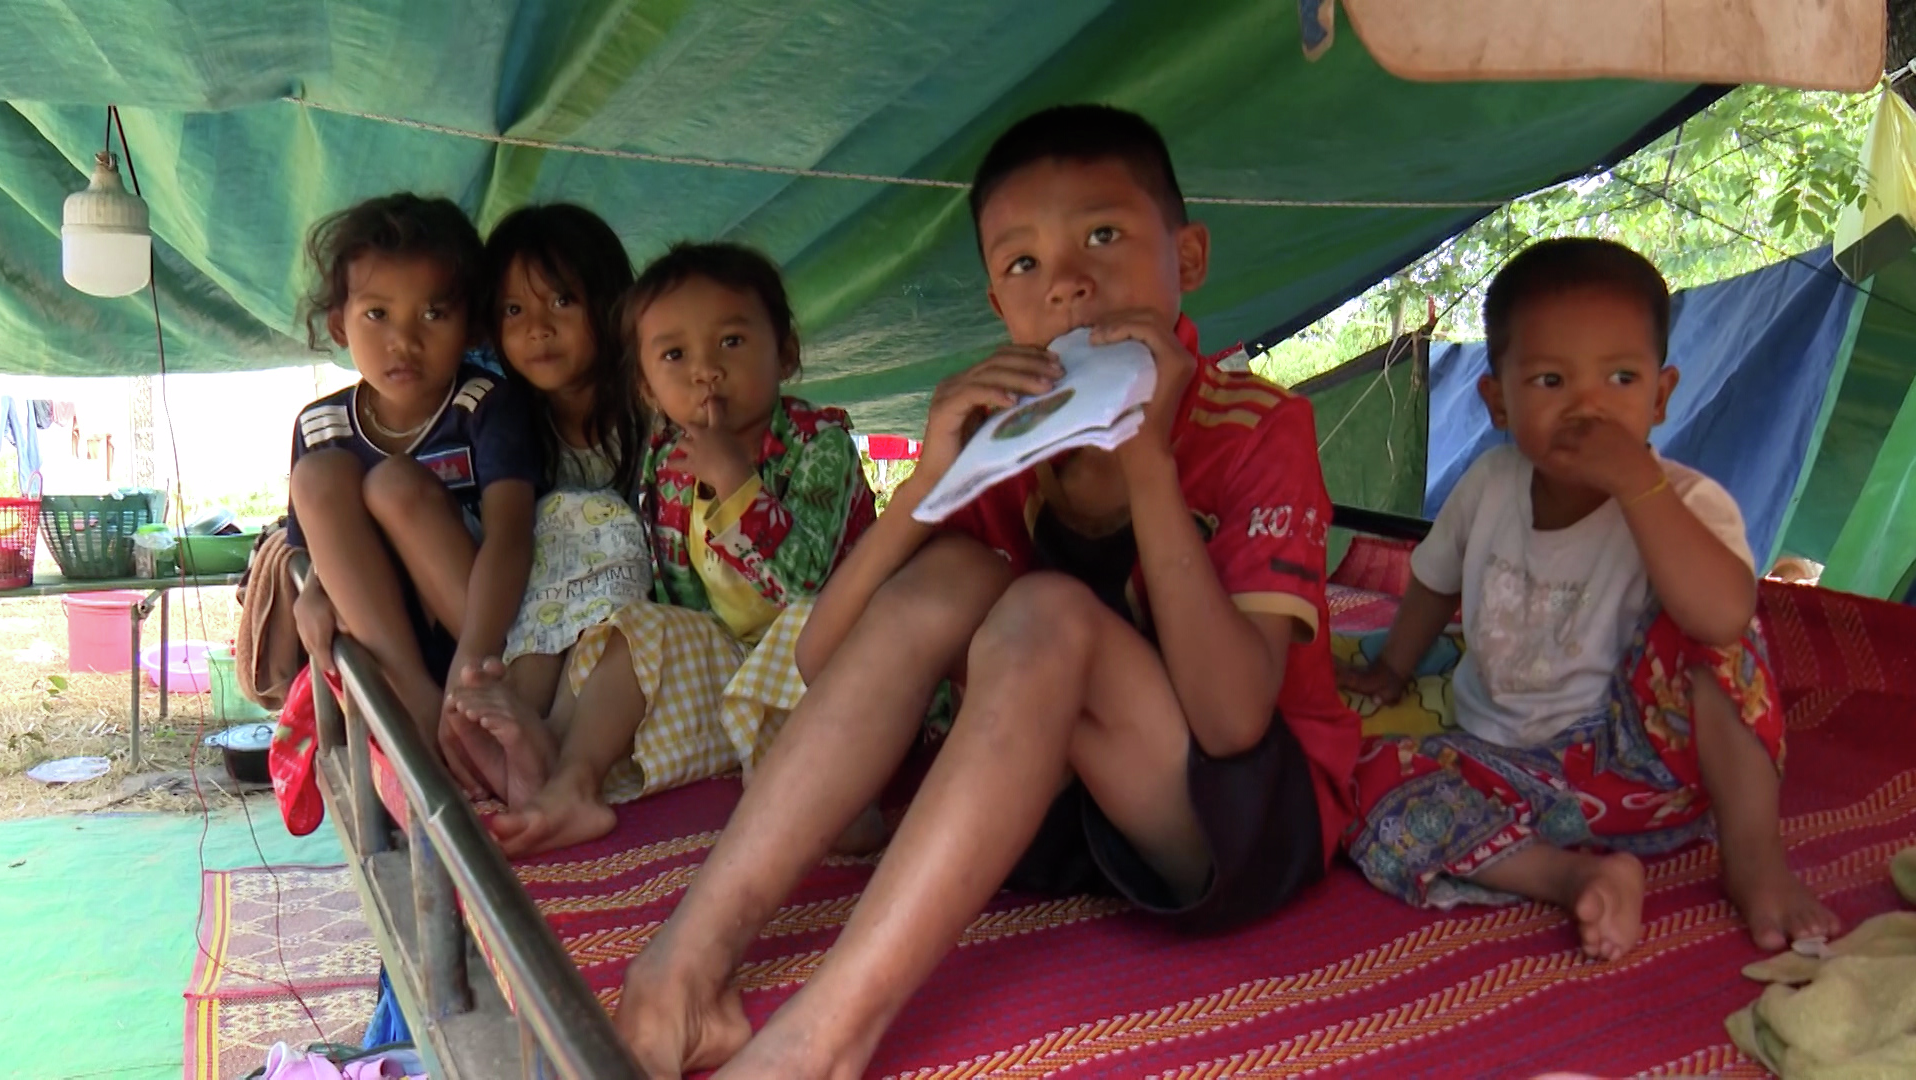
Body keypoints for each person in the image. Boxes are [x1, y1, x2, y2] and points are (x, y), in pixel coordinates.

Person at [610, 104, 1359, 1080]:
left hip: (1235, 823)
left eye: (1104, 235)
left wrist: (1147, 466)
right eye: (1024, 265)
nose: (1070, 284)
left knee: (1044, 611)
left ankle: (821, 1043)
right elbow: (820, 656)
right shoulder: (1006, 450)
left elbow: (1229, 721)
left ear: (1192, 256)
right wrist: (929, 484)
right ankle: (683, 973)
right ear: (999, 305)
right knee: (960, 572)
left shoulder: (1257, 425)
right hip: (1064, 815)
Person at [1338, 238, 1842, 961]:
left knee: (1713, 628)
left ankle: (1756, 863)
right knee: (1358, 778)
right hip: (1506, 773)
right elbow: (1432, 581)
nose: (1588, 406)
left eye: (1620, 378)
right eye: (1549, 380)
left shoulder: (1689, 504)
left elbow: (1723, 620)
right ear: (1497, 402)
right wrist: (1391, 670)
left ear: (1661, 397)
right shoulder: (1487, 486)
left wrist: (1638, 483)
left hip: (1647, 779)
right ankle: (1575, 879)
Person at [450, 241, 878, 857]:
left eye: (731, 342)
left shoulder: (821, 444)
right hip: (732, 663)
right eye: (674, 355)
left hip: (826, 656)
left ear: (785, 354)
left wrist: (739, 487)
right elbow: (681, 603)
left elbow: (808, 584)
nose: (705, 370)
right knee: (637, 627)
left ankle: (831, 793)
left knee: (812, 660)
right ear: (647, 388)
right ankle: (567, 781)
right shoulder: (667, 457)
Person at [286, 193, 539, 780]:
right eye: (377, 315)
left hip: (482, 634)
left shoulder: (486, 406)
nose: (404, 341)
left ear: (471, 322)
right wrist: (314, 587)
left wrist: (474, 654)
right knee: (320, 476)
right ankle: (417, 709)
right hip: (394, 647)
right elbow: (304, 549)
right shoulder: (318, 427)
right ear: (338, 322)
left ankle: (457, 701)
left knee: (395, 483)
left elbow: (511, 537)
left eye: (433, 314)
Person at [440, 204, 653, 806]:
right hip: (537, 616)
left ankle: (543, 738)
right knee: (551, 522)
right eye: (514, 310)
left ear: (610, 304)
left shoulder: (649, 406)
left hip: (630, 617)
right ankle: (517, 721)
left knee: (589, 517)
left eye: (562, 302)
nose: (538, 328)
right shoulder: (500, 417)